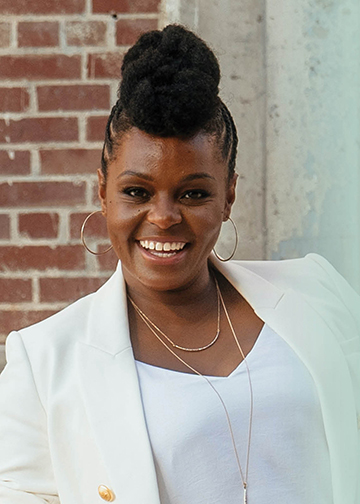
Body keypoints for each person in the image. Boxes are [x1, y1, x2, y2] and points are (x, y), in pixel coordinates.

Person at [0, 24, 359, 504]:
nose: (165, 217)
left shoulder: (317, 293)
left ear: (229, 194)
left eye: (193, 193)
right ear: (102, 191)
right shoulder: (45, 363)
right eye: (137, 192)